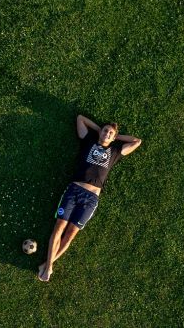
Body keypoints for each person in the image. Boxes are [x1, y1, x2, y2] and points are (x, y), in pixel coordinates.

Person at [38, 114, 142, 282]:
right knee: (59, 228)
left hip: (91, 198)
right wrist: (99, 130)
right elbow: (79, 118)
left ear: (114, 137)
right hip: (74, 190)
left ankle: (48, 264)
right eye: (105, 130)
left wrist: (116, 137)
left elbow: (137, 141)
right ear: (100, 131)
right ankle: (48, 267)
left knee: (71, 234)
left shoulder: (116, 151)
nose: (107, 134)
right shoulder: (88, 141)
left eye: (110, 133)